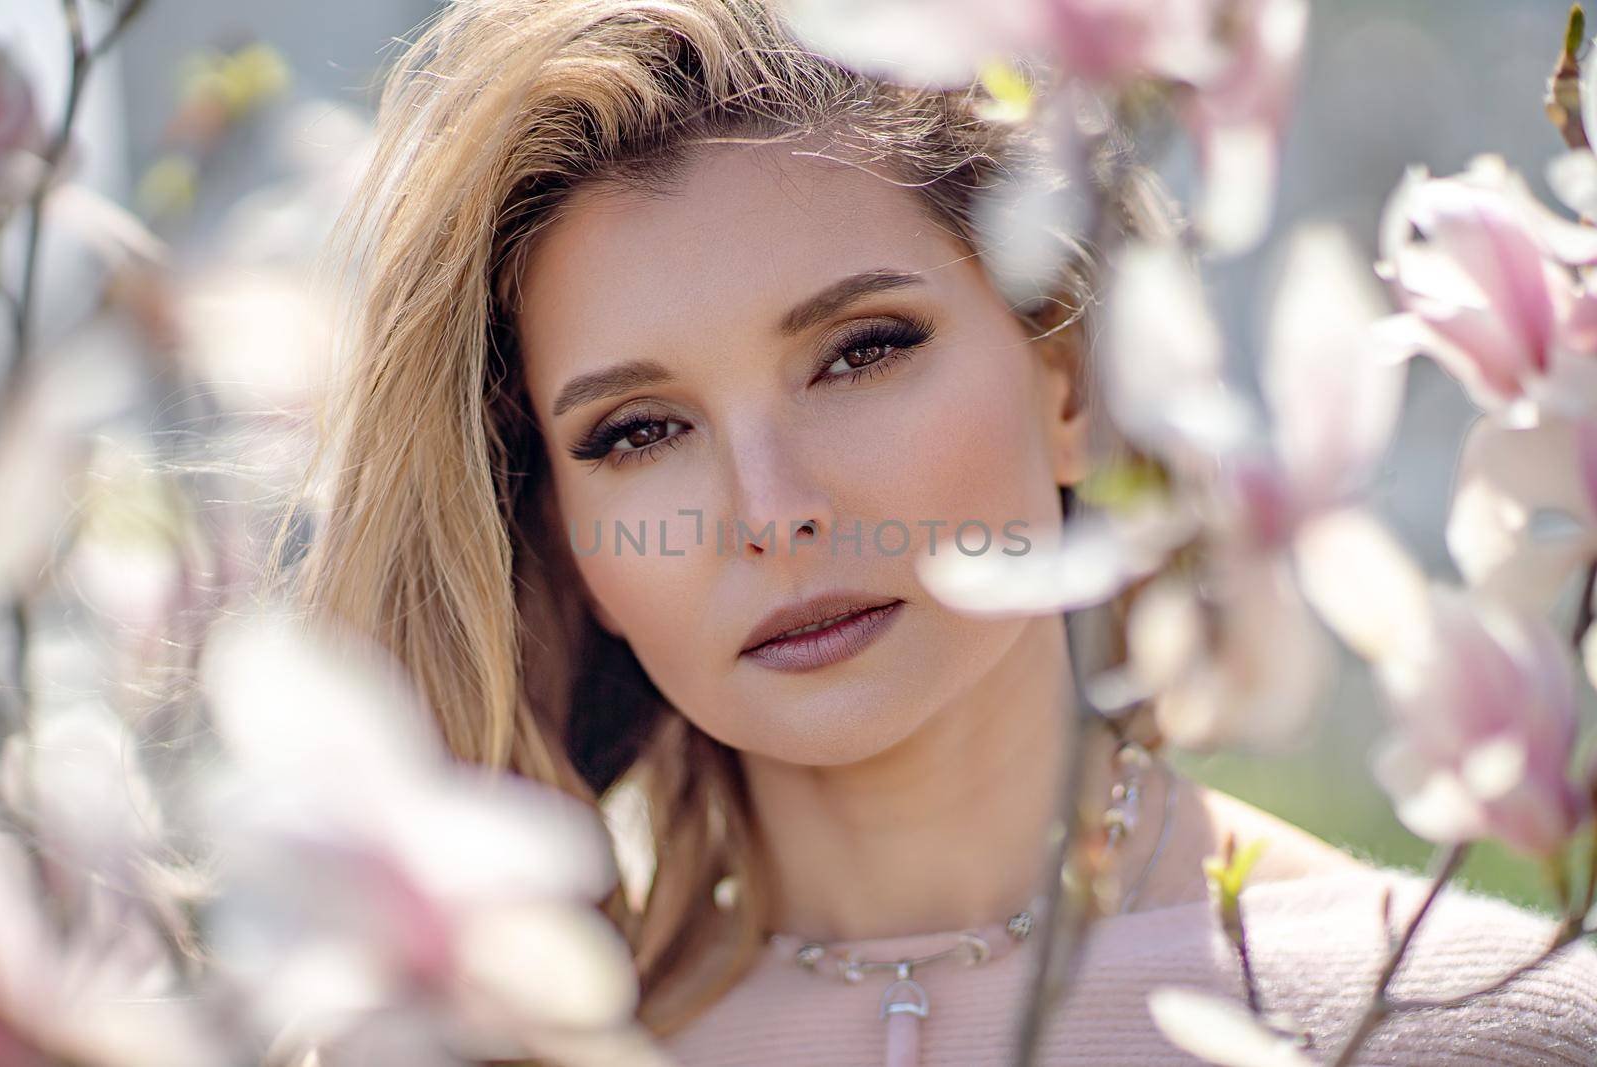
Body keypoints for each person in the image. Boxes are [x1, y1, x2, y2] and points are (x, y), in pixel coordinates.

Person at [277, 0, 1597, 1062]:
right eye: (637, 432)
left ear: (1068, 375)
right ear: (561, 537)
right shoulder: (489, 1048)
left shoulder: (1468, 1021)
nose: (773, 509)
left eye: (862, 352)